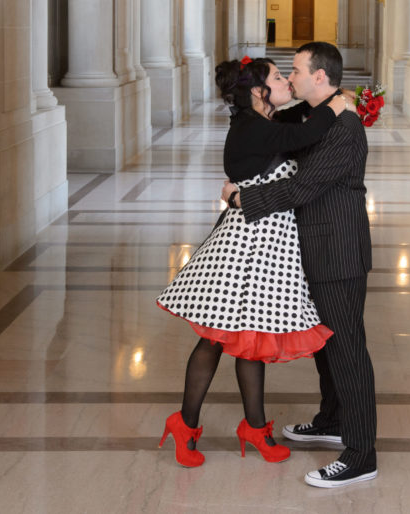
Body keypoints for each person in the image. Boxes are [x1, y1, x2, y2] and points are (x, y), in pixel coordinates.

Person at [156, 56, 353, 468]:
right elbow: (305, 134)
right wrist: (336, 105)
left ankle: (254, 427)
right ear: (257, 91)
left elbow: (298, 118)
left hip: (267, 246)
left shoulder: (261, 123)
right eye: (279, 77)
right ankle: (184, 424)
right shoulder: (252, 128)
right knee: (215, 339)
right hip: (243, 245)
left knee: (252, 337)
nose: (286, 82)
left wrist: (334, 98)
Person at [222, 42, 377, 488]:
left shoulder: (343, 124)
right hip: (316, 247)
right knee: (329, 346)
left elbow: (302, 188)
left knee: (347, 350)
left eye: (297, 71)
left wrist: (240, 198)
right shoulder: (312, 114)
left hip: (338, 252)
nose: (290, 78)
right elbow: (266, 128)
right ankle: (331, 420)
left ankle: (362, 453)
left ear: (321, 79)